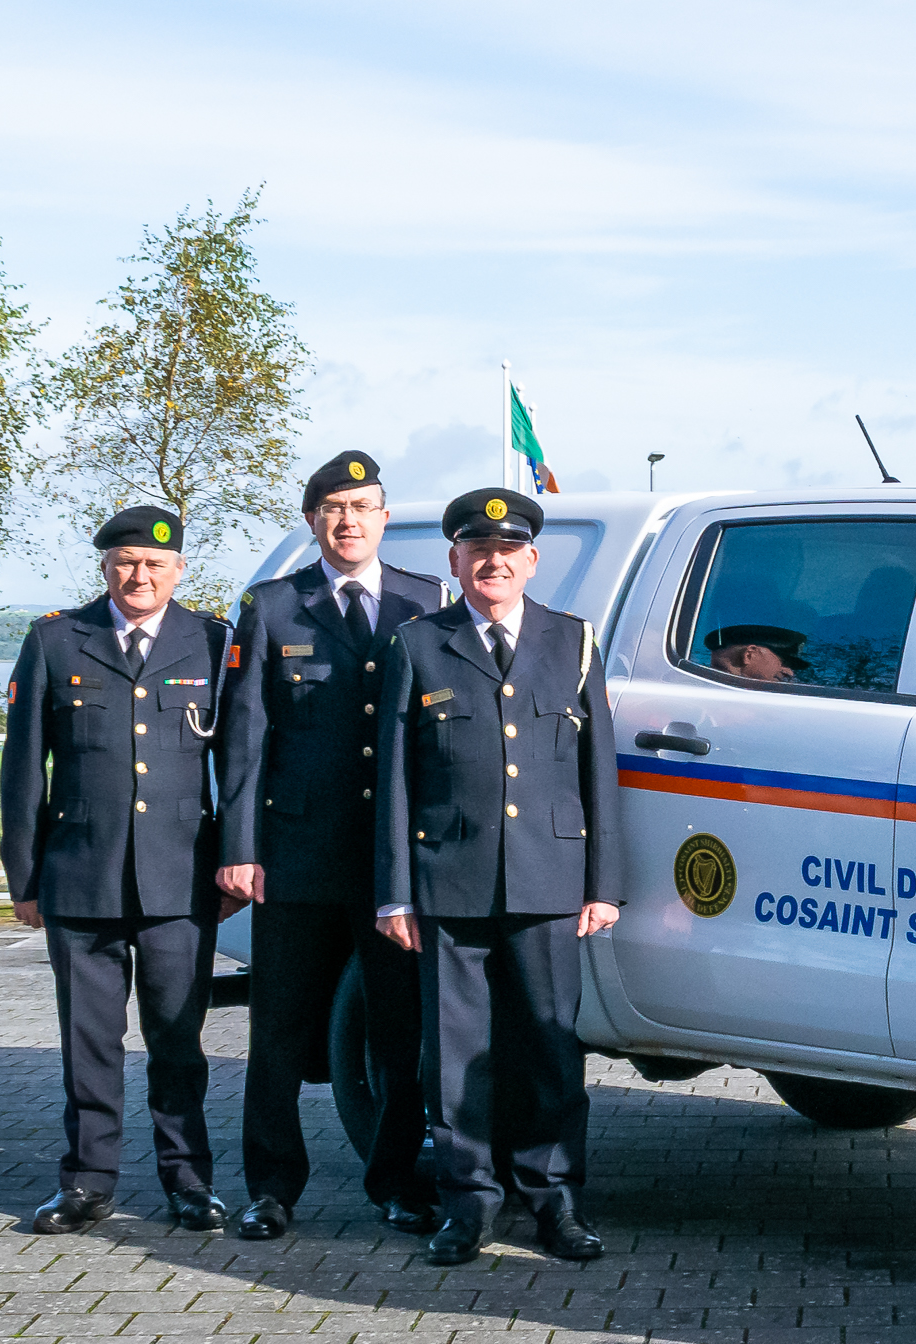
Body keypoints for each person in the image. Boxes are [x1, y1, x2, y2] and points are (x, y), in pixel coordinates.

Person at [374, 489, 625, 1267]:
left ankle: (555, 1205)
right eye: (477, 552)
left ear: (530, 561)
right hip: (448, 880)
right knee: (453, 1059)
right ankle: (467, 1206)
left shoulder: (572, 641)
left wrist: (603, 883)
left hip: (552, 881)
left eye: (507, 551)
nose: (493, 563)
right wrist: (394, 891)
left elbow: (597, 770)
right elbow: (394, 779)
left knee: (550, 1052)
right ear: (454, 562)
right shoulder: (420, 645)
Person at [215, 449, 453, 1242]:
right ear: (314, 520)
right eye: (334, 509)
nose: (349, 521)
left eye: (364, 507)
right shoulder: (274, 607)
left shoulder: (428, 601)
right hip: (296, 856)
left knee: (397, 1032)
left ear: (385, 517)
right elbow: (245, 742)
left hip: (393, 859)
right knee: (279, 1030)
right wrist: (240, 847)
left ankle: (396, 1183)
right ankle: (272, 1188)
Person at [0, 504, 233, 1236]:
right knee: (90, 1041)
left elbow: (238, 768)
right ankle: (87, 1183)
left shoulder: (214, 642)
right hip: (81, 876)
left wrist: (228, 868)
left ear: (179, 571)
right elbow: (21, 771)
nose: (140, 575)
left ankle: (189, 1182)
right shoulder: (56, 640)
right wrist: (26, 878)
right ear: (105, 568)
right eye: (126, 562)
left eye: (155, 565)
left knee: (177, 1041)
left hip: (179, 882)